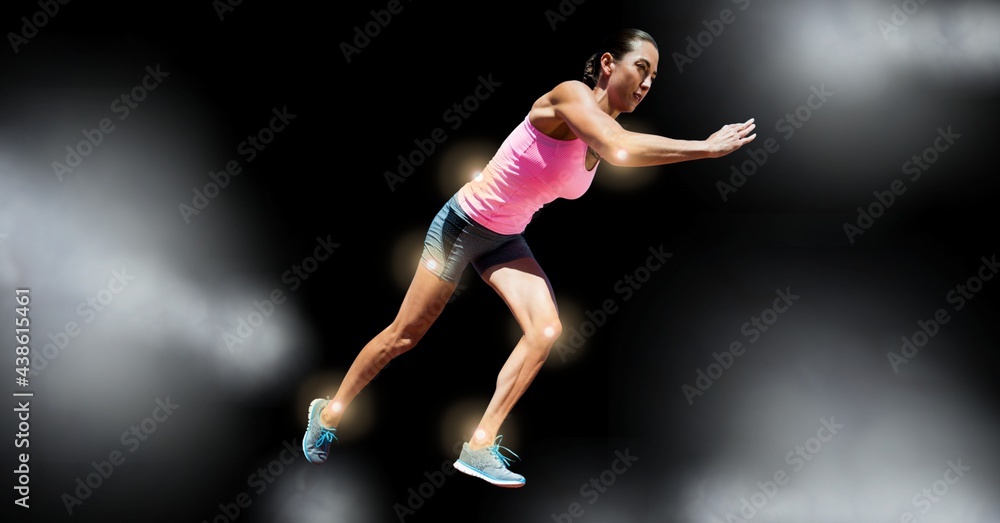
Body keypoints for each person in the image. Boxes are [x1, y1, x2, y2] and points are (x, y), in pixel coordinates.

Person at [302, 28, 756, 487]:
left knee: (545, 330)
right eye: (641, 68)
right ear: (606, 64)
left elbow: (618, 147)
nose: (646, 83)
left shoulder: (607, 131)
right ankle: (329, 411)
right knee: (404, 336)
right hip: (462, 225)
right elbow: (620, 149)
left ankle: (478, 446)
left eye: (654, 77)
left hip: (505, 239)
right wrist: (705, 147)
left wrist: (697, 151)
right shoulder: (569, 97)